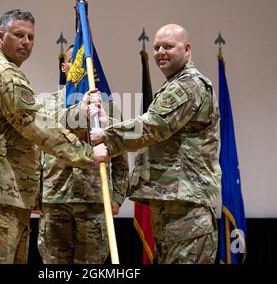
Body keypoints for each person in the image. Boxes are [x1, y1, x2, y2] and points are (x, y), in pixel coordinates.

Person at [0, 9, 108, 264]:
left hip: (9, 193)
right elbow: (34, 124)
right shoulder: (2, 72)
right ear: (1, 36)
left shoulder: (11, 72)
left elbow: (35, 115)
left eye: (31, 37)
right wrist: (87, 154)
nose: (26, 42)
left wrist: (79, 111)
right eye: (19, 35)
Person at [90, 24, 221, 264]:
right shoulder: (174, 84)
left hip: (187, 206)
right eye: (157, 47)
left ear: (187, 49)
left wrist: (106, 136)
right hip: (173, 202)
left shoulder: (189, 84)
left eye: (168, 46)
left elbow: (154, 126)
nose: (160, 52)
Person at [36, 45, 129, 264]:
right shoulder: (46, 103)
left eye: (85, 62)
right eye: (74, 62)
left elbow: (121, 160)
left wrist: (117, 197)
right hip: (55, 201)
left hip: (95, 204)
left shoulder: (108, 106)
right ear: (64, 67)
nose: (81, 68)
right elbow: (38, 148)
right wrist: (36, 195)